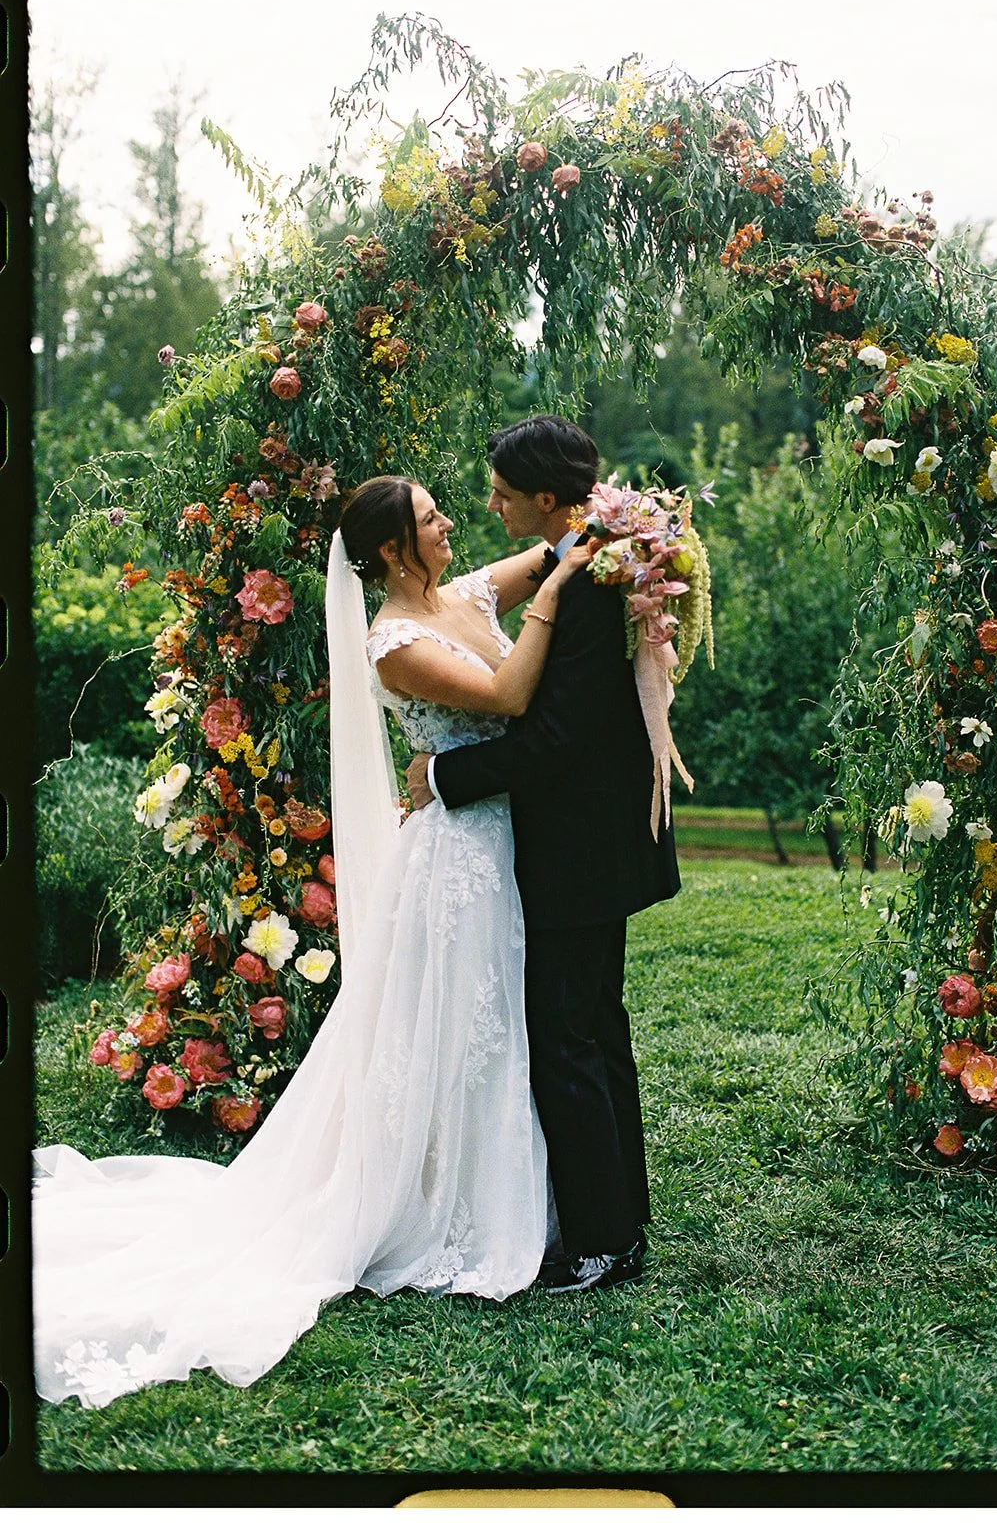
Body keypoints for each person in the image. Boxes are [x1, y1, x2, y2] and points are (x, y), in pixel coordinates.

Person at [32, 473, 587, 1409]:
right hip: (454, 864)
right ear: (389, 554)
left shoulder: (465, 594)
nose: (449, 520)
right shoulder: (394, 644)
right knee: (459, 1027)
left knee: (489, 1023)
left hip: (496, 850)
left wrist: (598, 531)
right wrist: (563, 595)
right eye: (428, 518)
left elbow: (546, 553)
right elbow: (506, 694)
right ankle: (448, 1207)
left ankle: (500, 1185)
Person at [406, 415, 680, 1294]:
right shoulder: (595, 555)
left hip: (578, 847)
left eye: (503, 494)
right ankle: (620, 1225)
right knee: (597, 1029)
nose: (490, 505)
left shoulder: (597, 578)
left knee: (569, 1038)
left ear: (550, 500)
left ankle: (602, 1242)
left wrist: (444, 775)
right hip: (598, 840)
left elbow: (555, 735)